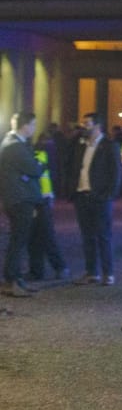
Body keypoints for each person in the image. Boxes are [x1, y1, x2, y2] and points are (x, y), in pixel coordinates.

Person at [70, 113, 120, 285]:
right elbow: (74, 167)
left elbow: (116, 173)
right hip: (82, 196)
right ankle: (92, 272)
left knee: (103, 235)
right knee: (87, 236)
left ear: (98, 126)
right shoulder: (81, 145)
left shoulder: (109, 146)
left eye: (88, 123)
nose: (84, 126)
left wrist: (108, 195)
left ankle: (108, 273)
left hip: (100, 198)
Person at [1, 114, 46, 297]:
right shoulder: (16, 146)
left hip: (16, 198)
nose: (34, 128)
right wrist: (40, 163)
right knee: (18, 241)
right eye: (33, 124)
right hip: (21, 199)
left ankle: (16, 279)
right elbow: (35, 169)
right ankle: (12, 280)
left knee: (18, 240)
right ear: (24, 126)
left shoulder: (10, 143)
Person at [25, 119, 67, 283]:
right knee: (36, 236)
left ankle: (59, 267)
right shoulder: (45, 152)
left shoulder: (40, 154)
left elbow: (39, 172)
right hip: (41, 197)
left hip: (42, 198)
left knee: (45, 236)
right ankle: (38, 270)